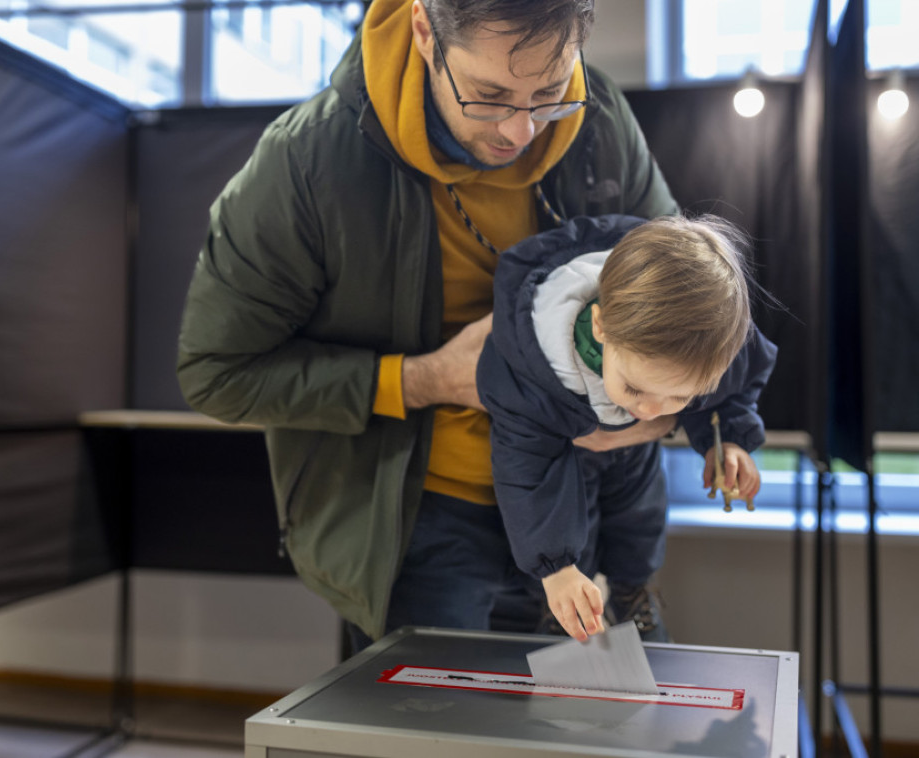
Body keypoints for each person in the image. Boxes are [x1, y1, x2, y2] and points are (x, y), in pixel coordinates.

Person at [176, 0, 680, 652]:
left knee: (593, 743)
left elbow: (683, 296)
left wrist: (662, 410)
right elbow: (216, 372)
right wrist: (422, 380)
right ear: (424, 33)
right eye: (489, 97)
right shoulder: (308, 162)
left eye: (549, 94)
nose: (522, 130)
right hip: (420, 529)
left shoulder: (599, 119)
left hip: (584, 507)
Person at [477, 213, 778, 642]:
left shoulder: (709, 342)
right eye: (636, 388)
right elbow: (524, 468)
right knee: (569, 523)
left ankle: (632, 590)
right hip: (562, 460)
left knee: (642, 517)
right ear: (600, 327)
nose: (654, 412)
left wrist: (728, 439)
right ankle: (562, 609)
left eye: (680, 397)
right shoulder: (533, 368)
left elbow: (735, 387)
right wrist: (555, 569)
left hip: (632, 460)